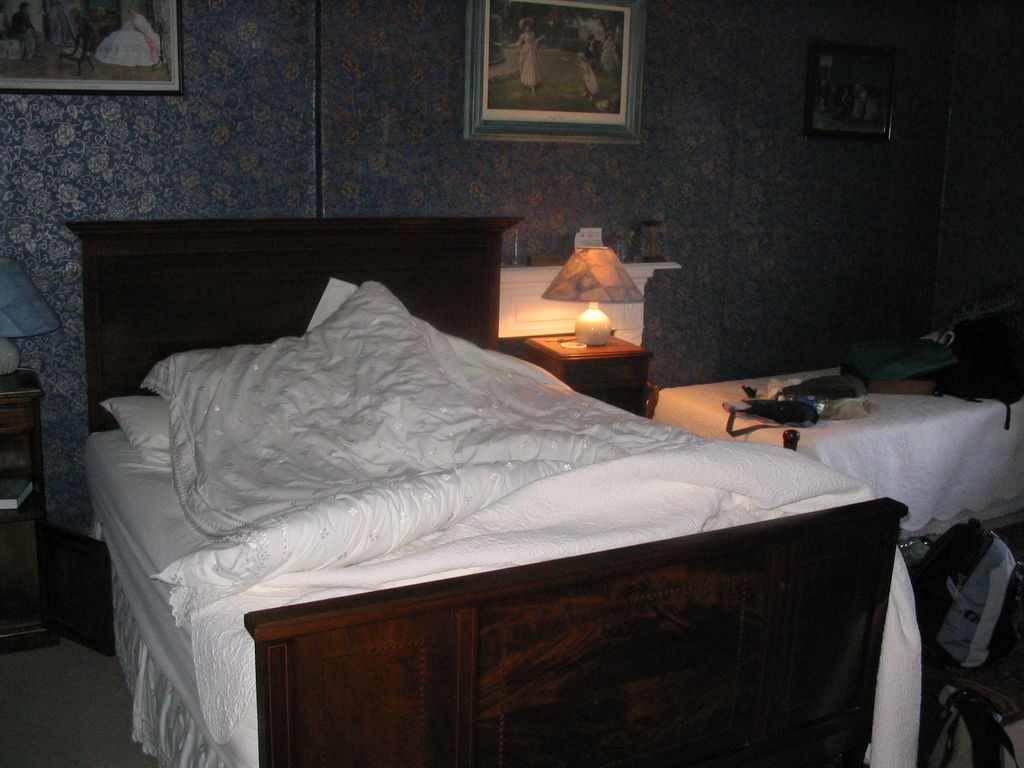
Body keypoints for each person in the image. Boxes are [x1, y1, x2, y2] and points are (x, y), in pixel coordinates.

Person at [94, 6, 160, 67]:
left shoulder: (140, 17)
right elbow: (126, 26)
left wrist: (137, 27)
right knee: (118, 36)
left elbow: (144, 27)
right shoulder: (131, 18)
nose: (131, 12)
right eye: (130, 11)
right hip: (130, 31)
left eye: (132, 11)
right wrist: (128, 28)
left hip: (139, 33)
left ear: (135, 10)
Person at [515, 17, 544, 94]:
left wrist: (539, 39)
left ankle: (535, 81)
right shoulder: (523, 35)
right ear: (524, 27)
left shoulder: (532, 33)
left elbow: (534, 41)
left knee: (534, 65)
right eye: (526, 26)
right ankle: (530, 83)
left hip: (532, 50)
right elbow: (519, 43)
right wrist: (517, 46)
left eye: (528, 26)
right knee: (528, 66)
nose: (527, 28)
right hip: (526, 51)